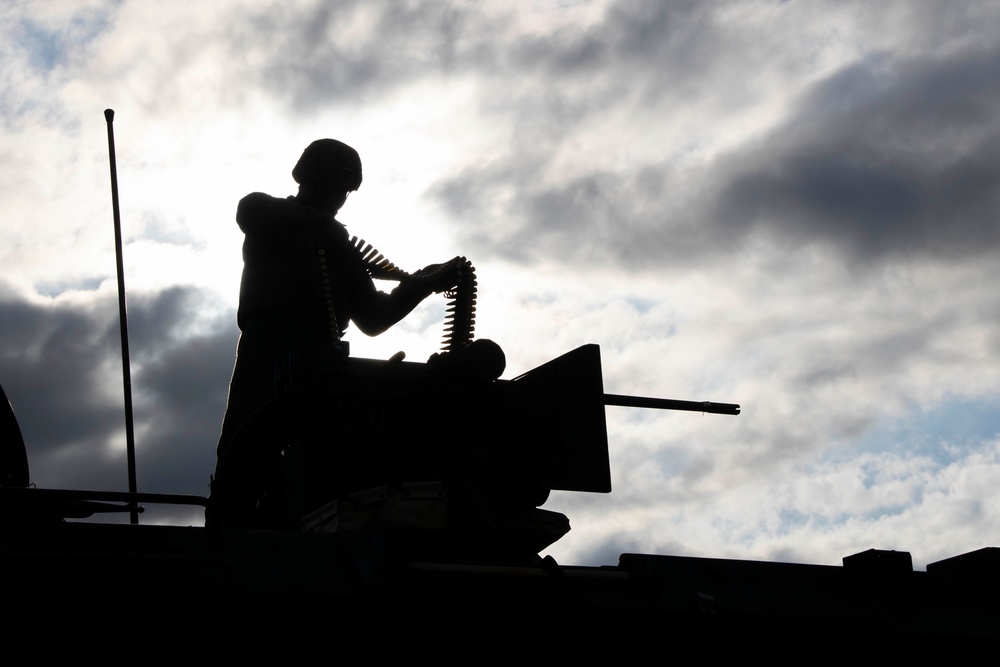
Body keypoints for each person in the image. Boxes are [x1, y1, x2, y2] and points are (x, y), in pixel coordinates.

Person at [210, 139, 461, 527]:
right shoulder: (270, 213)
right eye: (336, 184)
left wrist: (421, 283)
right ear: (310, 175)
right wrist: (323, 228)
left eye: (347, 190)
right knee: (245, 447)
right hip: (268, 349)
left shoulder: (339, 245)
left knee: (321, 460)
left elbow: (374, 318)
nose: (340, 196)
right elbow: (249, 209)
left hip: (322, 363)